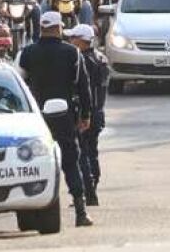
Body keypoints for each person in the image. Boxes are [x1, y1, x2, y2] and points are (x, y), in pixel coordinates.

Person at [17, 12, 94, 227]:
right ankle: (81, 211)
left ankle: (31, 213)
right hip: (65, 116)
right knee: (70, 161)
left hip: (36, 119)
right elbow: (83, 86)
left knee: (33, 162)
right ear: (59, 28)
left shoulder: (27, 53)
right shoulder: (72, 53)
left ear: (41, 28)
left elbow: (19, 85)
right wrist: (86, 115)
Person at [64, 24, 107, 207]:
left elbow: (84, 90)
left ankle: (88, 193)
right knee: (92, 152)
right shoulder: (100, 58)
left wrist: (83, 115)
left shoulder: (84, 61)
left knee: (83, 154)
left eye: (73, 38)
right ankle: (92, 190)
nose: (70, 41)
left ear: (82, 41)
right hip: (98, 112)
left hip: (87, 113)